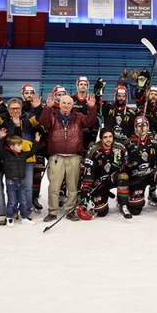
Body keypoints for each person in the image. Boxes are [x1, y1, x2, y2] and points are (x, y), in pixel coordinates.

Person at [39, 94, 98, 222]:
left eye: (68, 103)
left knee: (73, 187)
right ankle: (52, 212)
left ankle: (70, 211)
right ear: (59, 104)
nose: (66, 105)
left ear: (72, 106)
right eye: (63, 103)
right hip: (56, 157)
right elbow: (43, 122)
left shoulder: (78, 117)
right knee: (54, 187)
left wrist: (92, 107)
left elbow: (90, 121)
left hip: (74, 157)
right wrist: (47, 107)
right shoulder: (52, 116)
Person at [79, 127, 129, 218]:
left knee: (123, 176)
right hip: (99, 182)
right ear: (101, 138)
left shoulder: (120, 148)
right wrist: (86, 189)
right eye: (105, 137)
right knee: (102, 212)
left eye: (110, 136)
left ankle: (123, 205)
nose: (108, 139)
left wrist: (121, 167)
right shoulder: (93, 151)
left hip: (112, 178)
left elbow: (127, 166)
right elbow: (89, 172)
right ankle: (103, 194)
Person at [123, 115, 157, 220]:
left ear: (148, 127)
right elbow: (122, 166)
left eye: (144, 125)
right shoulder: (128, 143)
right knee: (135, 210)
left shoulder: (154, 142)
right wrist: (130, 161)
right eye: (139, 125)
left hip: (150, 174)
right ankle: (125, 196)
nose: (142, 128)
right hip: (136, 177)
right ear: (135, 128)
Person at [0, 132, 40, 227]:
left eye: (21, 145)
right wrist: (1, 138)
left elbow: (32, 152)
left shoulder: (22, 155)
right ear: (12, 147)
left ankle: (24, 217)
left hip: (21, 181)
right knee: (12, 201)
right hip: (11, 182)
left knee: (23, 201)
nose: (21, 147)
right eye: (19, 145)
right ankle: (10, 218)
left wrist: (36, 142)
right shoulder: (6, 154)